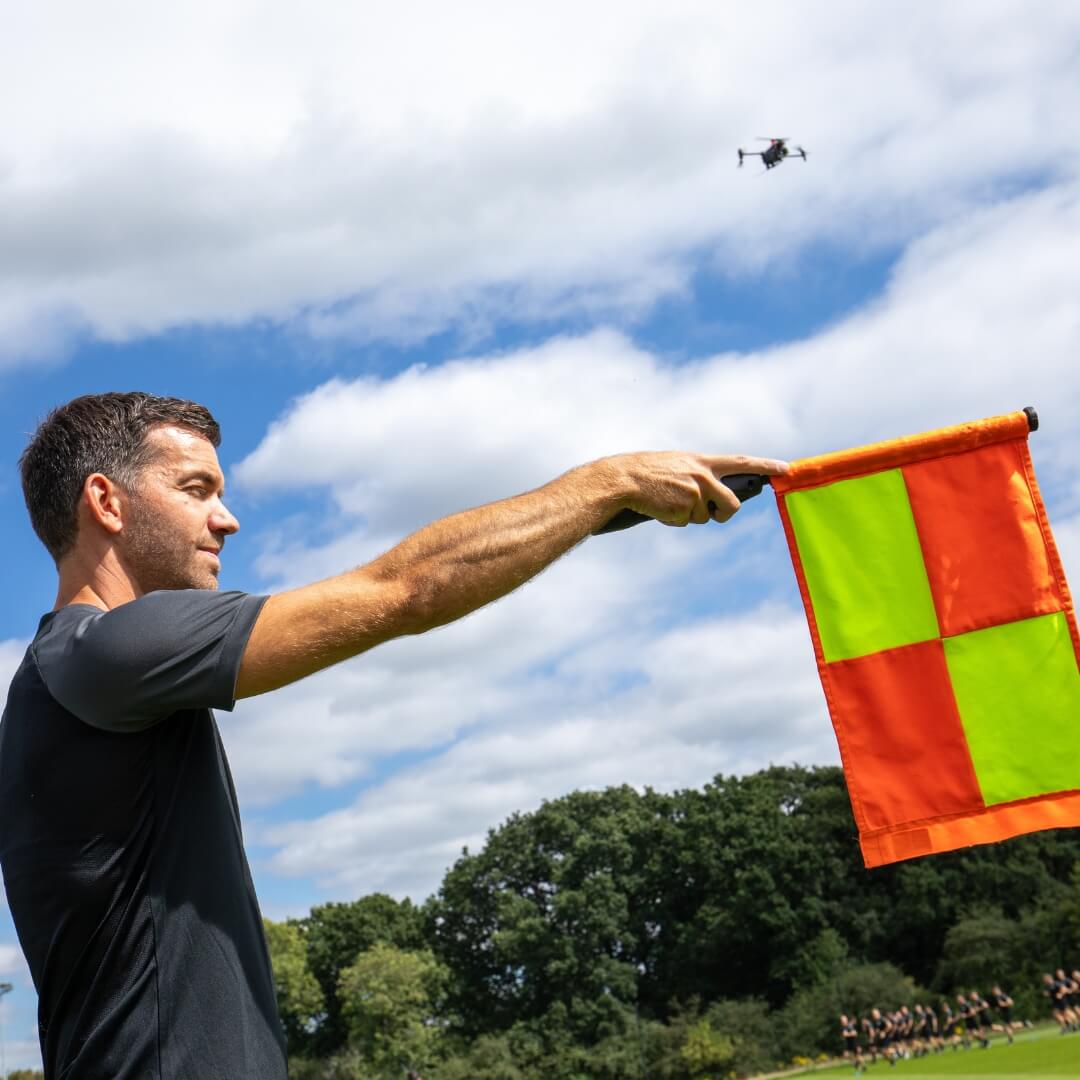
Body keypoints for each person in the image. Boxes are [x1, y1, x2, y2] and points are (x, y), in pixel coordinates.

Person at [0, 392, 788, 1079]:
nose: (227, 518)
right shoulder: (107, 651)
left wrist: (598, 511)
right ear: (106, 502)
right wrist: (607, 482)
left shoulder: (68, 676)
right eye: (195, 488)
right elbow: (404, 590)